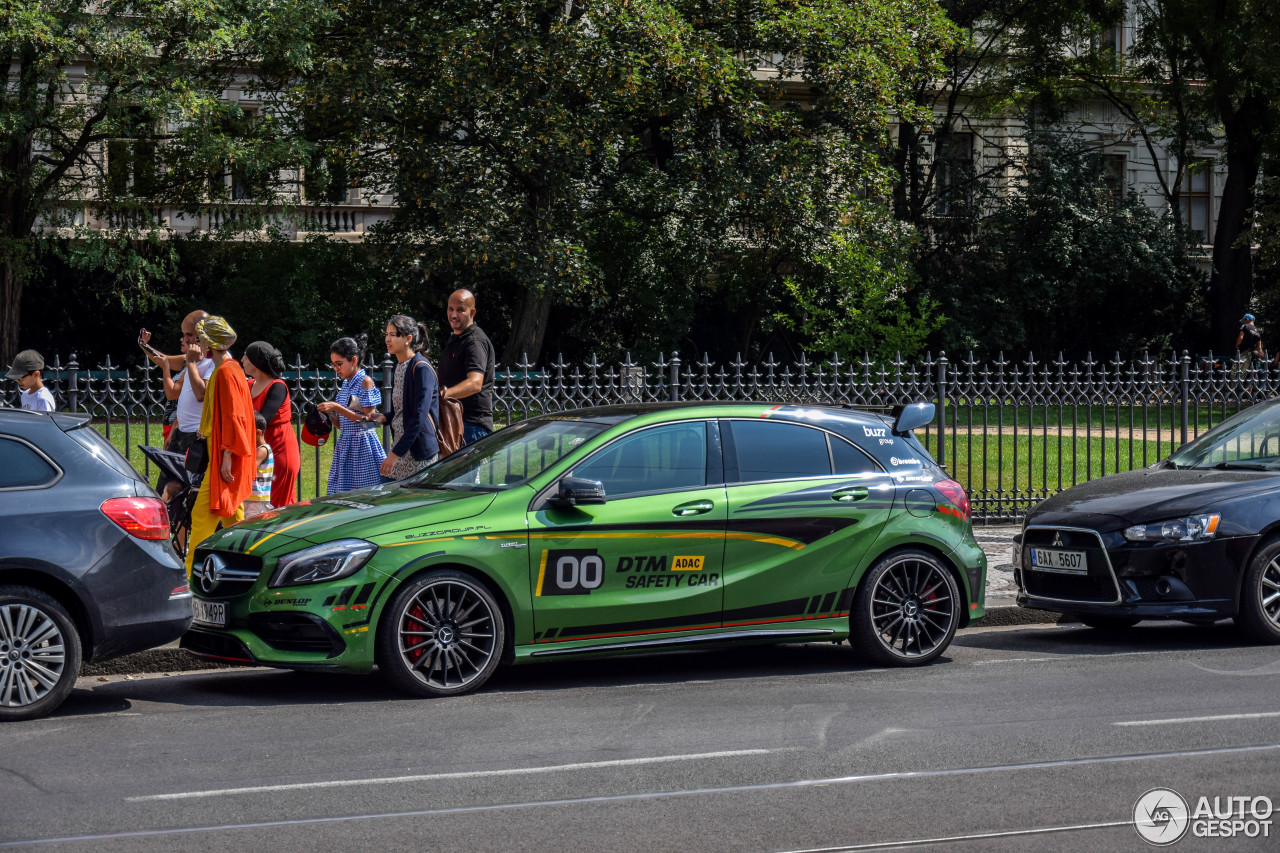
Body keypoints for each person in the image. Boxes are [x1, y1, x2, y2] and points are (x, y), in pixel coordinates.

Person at [185, 316, 256, 573]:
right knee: (232, 513)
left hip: (223, 454)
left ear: (211, 342)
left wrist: (226, 456)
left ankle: (191, 573)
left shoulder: (226, 372)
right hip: (222, 450)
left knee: (202, 514)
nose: (199, 342)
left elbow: (233, 416)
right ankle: (246, 564)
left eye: (201, 338)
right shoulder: (228, 369)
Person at [139, 310, 214, 497]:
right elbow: (162, 360)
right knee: (165, 484)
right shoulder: (189, 359)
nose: (185, 339)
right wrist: (143, 345)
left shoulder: (212, 362)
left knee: (186, 489)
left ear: (202, 335)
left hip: (196, 436)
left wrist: (190, 363)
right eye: (184, 334)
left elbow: (200, 394)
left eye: (189, 335)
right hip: (180, 432)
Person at [369, 315, 439, 481]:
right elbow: (402, 411)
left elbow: (418, 418)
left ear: (408, 338)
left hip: (418, 455)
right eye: (386, 334)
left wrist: (394, 455)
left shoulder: (421, 368)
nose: (387, 339)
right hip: (401, 450)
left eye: (393, 335)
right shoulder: (400, 366)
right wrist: (384, 417)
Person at [318, 334, 386, 493]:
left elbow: (370, 422)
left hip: (363, 446)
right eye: (334, 365)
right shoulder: (346, 384)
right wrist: (329, 415)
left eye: (339, 364)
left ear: (353, 361)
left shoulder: (365, 382)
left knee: (365, 493)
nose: (336, 369)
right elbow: (344, 425)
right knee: (343, 493)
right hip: (346, 445)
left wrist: (337, 407)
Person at [242, 340, 300, 508]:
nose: (242, 360)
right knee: (256, 501)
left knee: (279, 505)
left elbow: (262, 420)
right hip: (257, 447)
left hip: (280, 449)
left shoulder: (278, 387)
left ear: (256, 363)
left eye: (246, 356)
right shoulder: (249, 384)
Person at [439, 289, 496, 445]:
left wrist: (442, 395)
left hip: (471, 426)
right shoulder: (457, 338)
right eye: (450, 309)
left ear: (472, 312)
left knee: (467, 471)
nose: (453, 315)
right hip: (455, 422)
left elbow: (475, 383)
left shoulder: (474, 341)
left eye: (460, 310)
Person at [242, 412, 274, 518]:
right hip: (251, 499)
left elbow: (249, 470)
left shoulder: (262, 450)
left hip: (257, 502)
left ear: (258, 433)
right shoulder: (257, 449)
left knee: (251, 527)